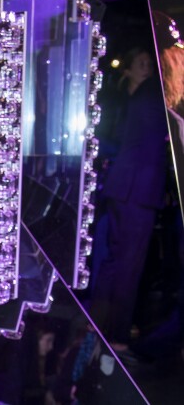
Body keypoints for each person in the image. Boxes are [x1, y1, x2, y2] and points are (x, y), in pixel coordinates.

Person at [89, 47, 168, 359]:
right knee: (127, 265)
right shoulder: (151, 96)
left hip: (124, 187)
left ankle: (98, 325)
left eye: (150, 64)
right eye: (142, 64)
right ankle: (117, 336)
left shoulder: (139, 98)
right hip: (136, 190)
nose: (148, 68)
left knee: (115, 262)